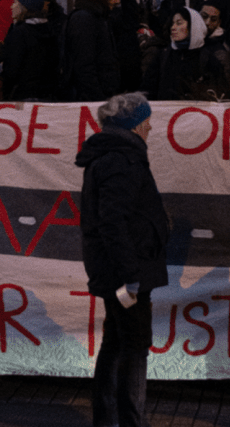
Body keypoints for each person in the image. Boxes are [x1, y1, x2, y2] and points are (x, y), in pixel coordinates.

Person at [76, 92, 170, 427]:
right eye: (146, 121)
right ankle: (130, 420)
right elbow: (113, 222)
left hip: (118, 267)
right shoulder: (122, 160)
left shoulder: (112, 156)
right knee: (134, 345)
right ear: (134, 124)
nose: (150, 127)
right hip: (126, 272)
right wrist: (131, 275)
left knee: (116, 341)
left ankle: (107, 418)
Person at [62, 0, 124, 101]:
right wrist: (99, 99)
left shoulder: (99, 17)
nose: (118, 0)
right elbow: (84, 67)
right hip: (89, 100)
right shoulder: (85, 18)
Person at [0, 0, 61, 100]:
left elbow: (11, 70)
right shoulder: (50, 31)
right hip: (47, 95)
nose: (11, 6)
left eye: (15, 2)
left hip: (22, 95)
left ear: (24, 6)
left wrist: (5, 91)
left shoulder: (20, 33)